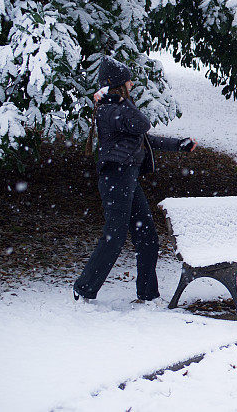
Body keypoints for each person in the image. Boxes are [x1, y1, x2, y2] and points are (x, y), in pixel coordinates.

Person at [73, 57, 196, 303]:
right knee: (115, 235)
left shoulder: (118, 108)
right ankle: (84, 288)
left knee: (148, 236)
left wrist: (179, 145)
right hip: (115, 179)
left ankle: (147, 294)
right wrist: (118, 99)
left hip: (127, 180)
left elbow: (143, 139)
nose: (131, 84)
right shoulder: (110, 110)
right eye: (127, 81)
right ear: (118, 85)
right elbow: (143, 123)